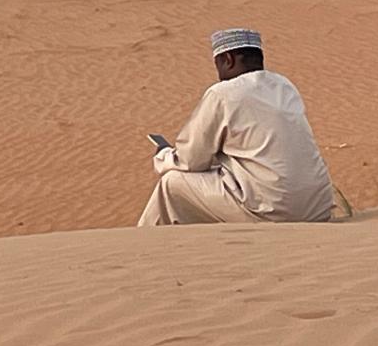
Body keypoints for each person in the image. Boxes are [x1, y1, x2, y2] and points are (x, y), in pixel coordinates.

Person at [137, 29, 334, 227]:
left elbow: (192, 160)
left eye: (218, 64)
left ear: (228, 59)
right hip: (318, 208)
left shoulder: (222, 93)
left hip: (274, 212)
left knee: (172, 183)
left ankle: (141, 246)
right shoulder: (285, 85)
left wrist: (164, 155)